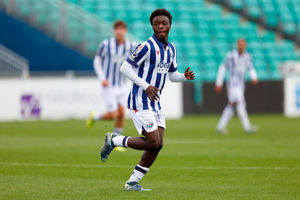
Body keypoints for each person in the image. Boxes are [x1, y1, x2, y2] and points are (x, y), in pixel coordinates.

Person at [100, 9, 195, 191]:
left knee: (158, 145)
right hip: (139, 100)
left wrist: (184, 76)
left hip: (155, 103)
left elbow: (172, 75)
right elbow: (125, 67)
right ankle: (113, 141)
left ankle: (132, 182)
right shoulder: (146, 46)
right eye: (156, 23)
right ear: (152, 26)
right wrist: (146, 86)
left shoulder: (171, 49)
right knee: (153, 142)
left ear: (169, 25)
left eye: (164, 23)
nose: (160, 26)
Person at [86, 20, 136, 136]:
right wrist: (102, 78)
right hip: (109, 85)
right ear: (114, 31)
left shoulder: (131, 46)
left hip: (122, 84)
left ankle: (116, 140)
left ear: (125, 31)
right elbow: (97, 61)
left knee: (122, 113)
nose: (119, 32)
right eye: (117, 29)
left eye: (121, 29)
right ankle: (95, 117)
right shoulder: (106, 44)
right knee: (114, 114)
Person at [215, 38, 258, 134]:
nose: (241, 46)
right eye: (240, 44)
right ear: (237, 45)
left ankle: (220, 126)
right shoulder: (231, 56)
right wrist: (219, 83)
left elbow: (250, 68)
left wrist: (254, 77)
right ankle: (247, 127)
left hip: (241, 85)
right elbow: (222, 68)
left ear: (245, 45)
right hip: (232, 85)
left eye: (243, 44)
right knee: (241, 103)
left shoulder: (248, 56)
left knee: (232, 105)